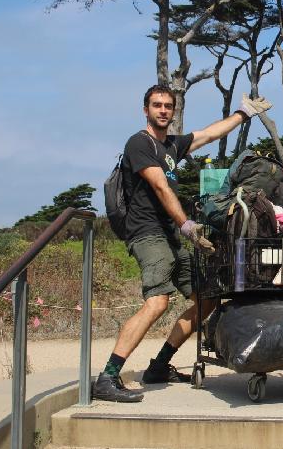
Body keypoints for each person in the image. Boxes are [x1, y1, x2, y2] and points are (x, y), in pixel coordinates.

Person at [92, 85, 271, 402]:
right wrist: (187, 226)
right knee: (158, 301)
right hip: (147, 233)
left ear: (173, 111)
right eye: (156, 105)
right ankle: (107, 376)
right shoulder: (139, 143)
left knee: (206, 299)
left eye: (168, 106)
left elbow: (208, 135)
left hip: (170, 236)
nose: (162, 110)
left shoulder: (172, 146)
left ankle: (159, 366)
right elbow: (161, 187)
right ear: (145, 109)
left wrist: (244, 113)